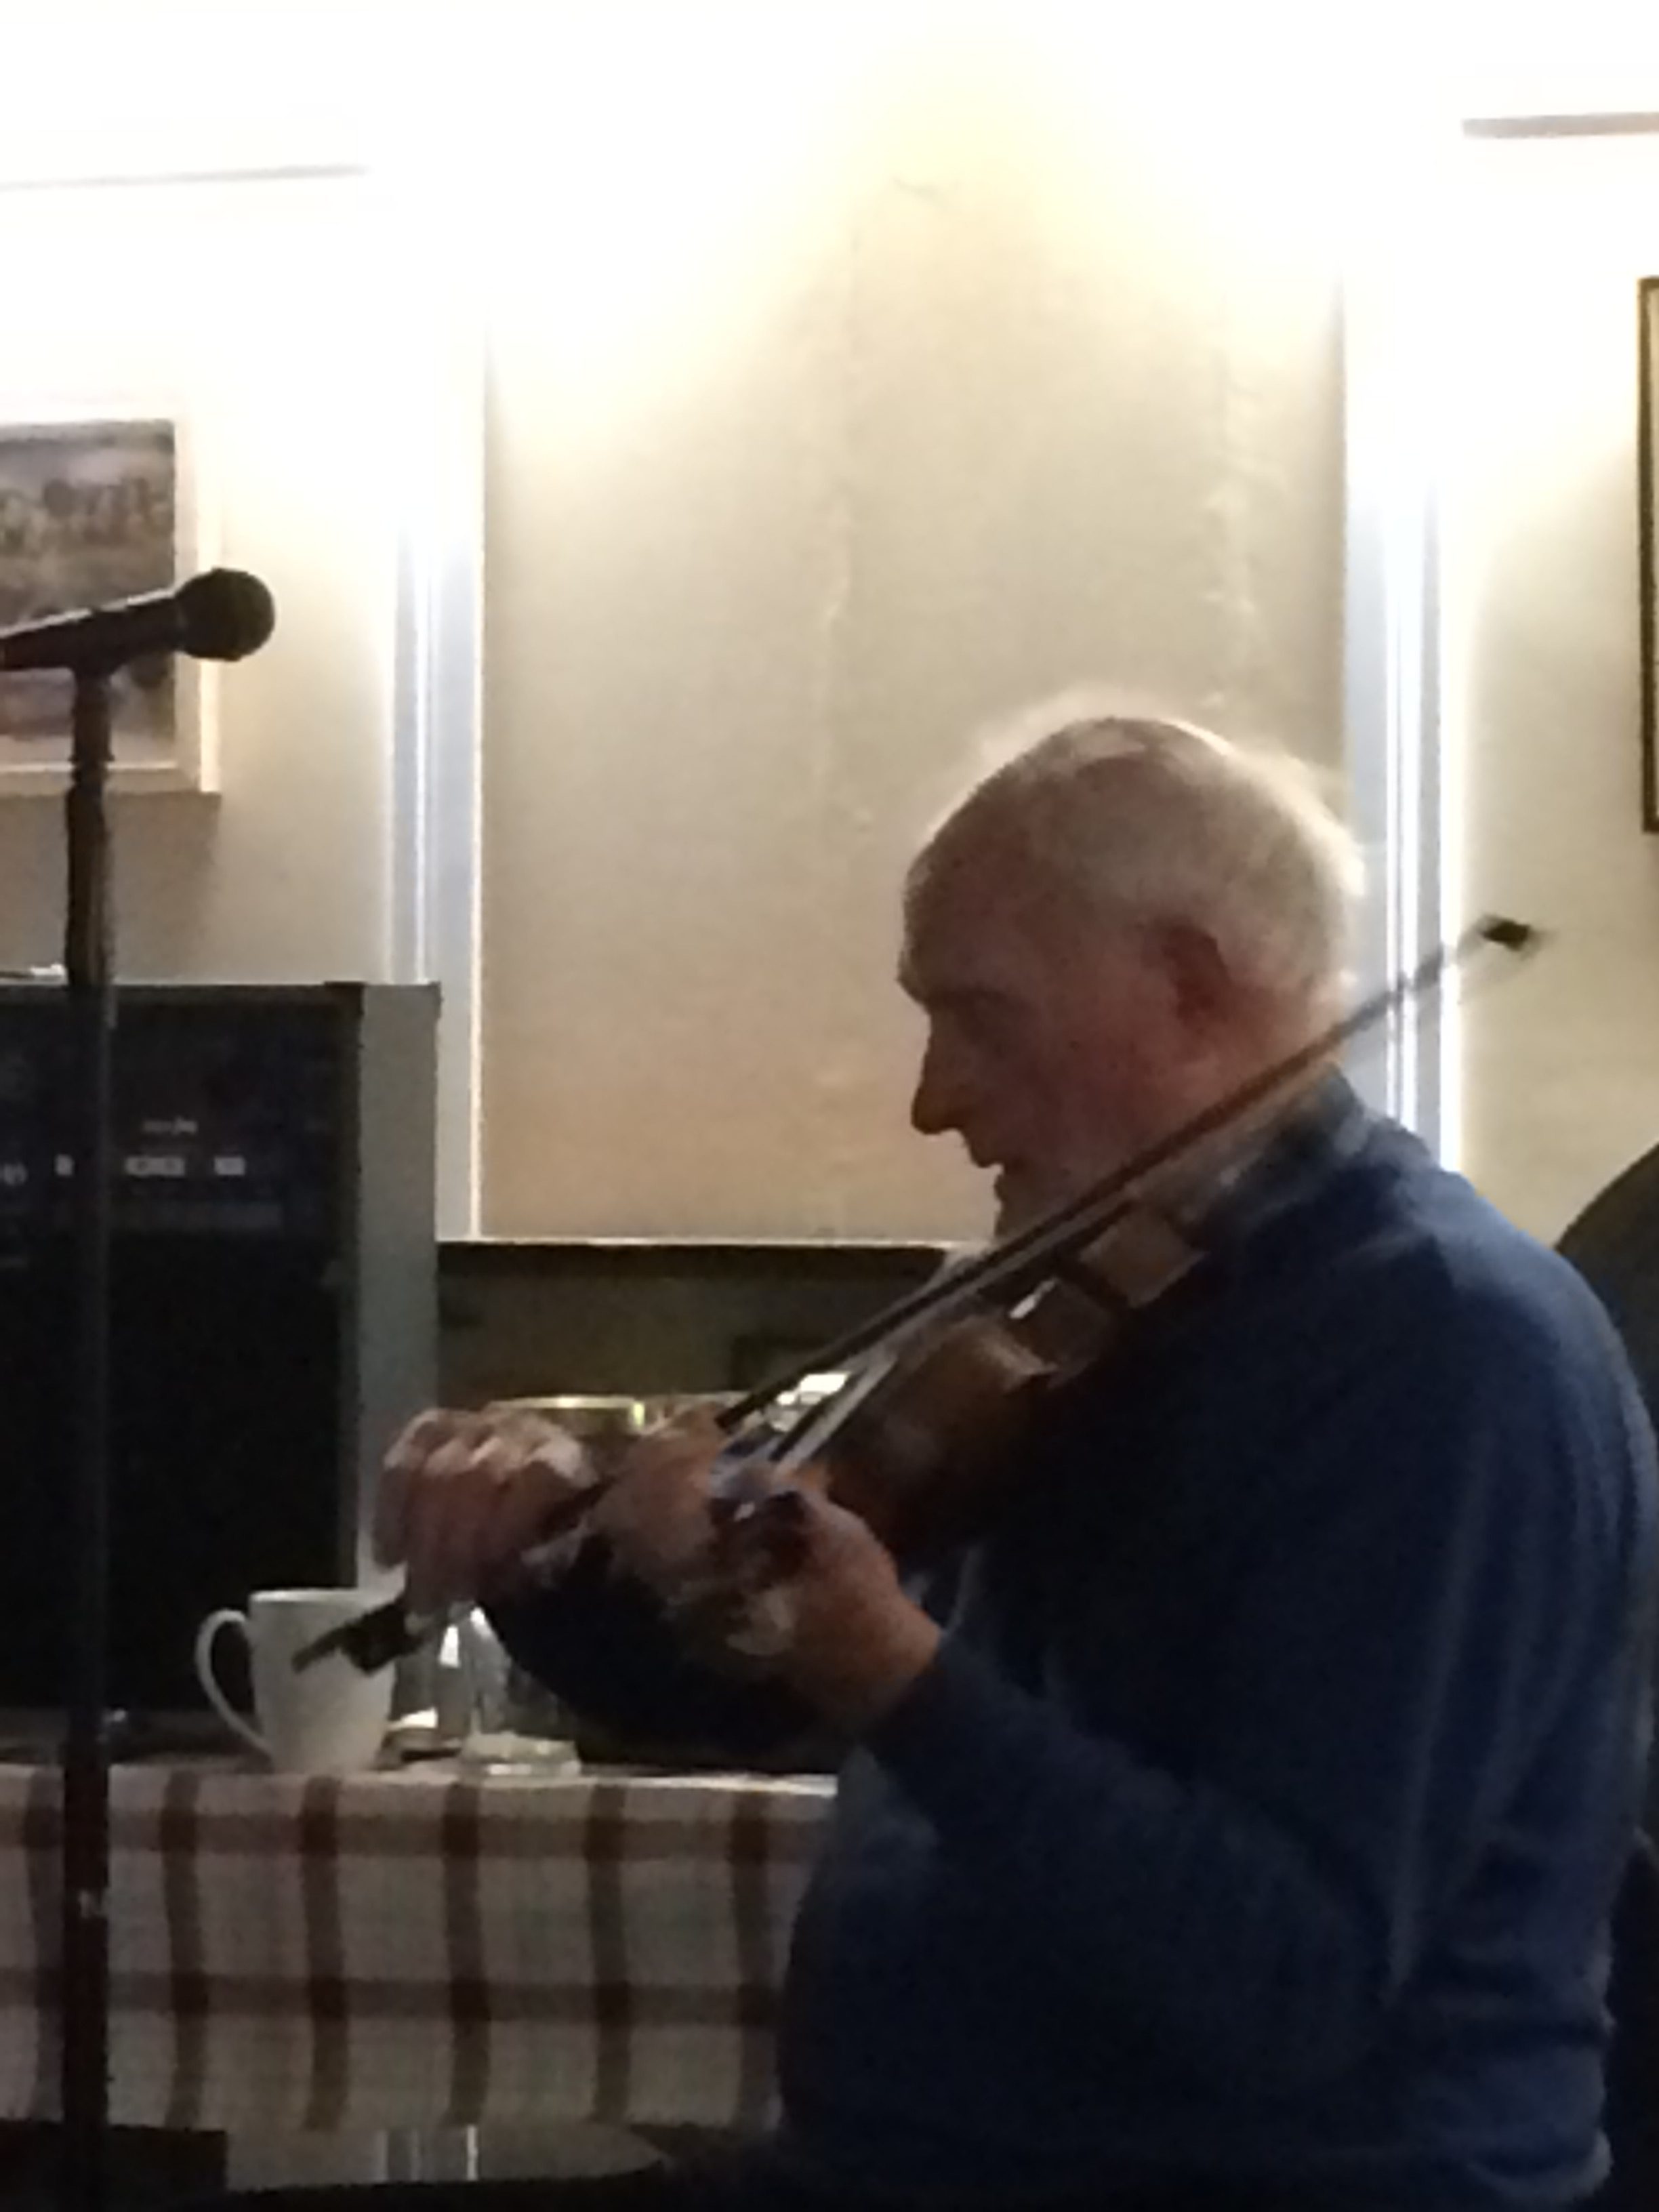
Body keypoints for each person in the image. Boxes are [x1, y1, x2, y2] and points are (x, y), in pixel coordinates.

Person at [343, 708, 1659, 2211]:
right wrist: (558, 1554)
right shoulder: (1075, 1303)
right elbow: (730, 1684)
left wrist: (890, 1669)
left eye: (982, 1017)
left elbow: (1284, 1981)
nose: (932, 1097)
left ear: (1190, 986)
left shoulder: (1438, 1352)